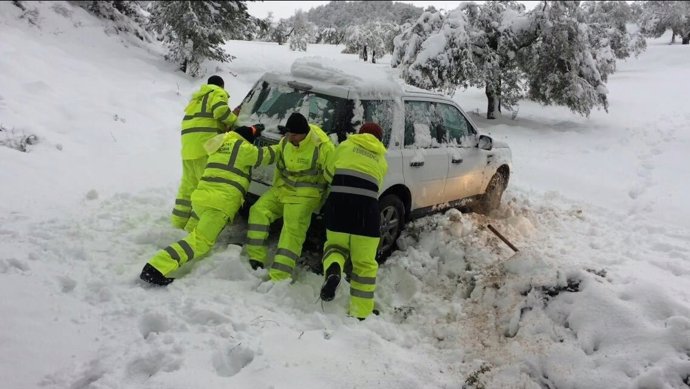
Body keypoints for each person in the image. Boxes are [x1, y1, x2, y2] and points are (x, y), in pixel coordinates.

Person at [141, 124, 277, 286]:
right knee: (201, 241)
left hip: (202, 199)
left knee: (193, 232)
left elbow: (244, 133)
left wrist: (253, 129)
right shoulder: (243, 148)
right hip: (219, 203)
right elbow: (266, 155)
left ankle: (171, 253)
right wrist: (286, 142)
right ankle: (156, 267)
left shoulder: (220, 145)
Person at [245, 112, 335, 282]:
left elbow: (333, 175)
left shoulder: (322, 147)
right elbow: (274, 154)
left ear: (304, 133)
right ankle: (255, 257)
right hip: (282, 189)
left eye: (294, 134)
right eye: (288, 133)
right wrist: (248, 155)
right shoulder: (286, 140)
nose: (290, 137)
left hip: (306, 195)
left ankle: (279, 275)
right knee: (258, 210)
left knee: (291, 228)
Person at [319, 123, 388, 320]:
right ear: (379, 140)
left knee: (335, 247)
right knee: (365, 263)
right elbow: (377, 185)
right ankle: (360, 312)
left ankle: (333, 269)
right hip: (367, 213)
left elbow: (328, 172)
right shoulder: (382, 160)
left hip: (338, 207)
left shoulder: (345, 146)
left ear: (359, 134)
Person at [171, 75, 239, 231]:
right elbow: (221, 111)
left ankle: (177, 223)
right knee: (205, 187)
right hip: (205, 146)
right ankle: (193, 229)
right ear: (221, 85)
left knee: (188, 186)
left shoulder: (196, 100)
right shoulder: (217, 92)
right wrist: (236, 121)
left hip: (188, 147)